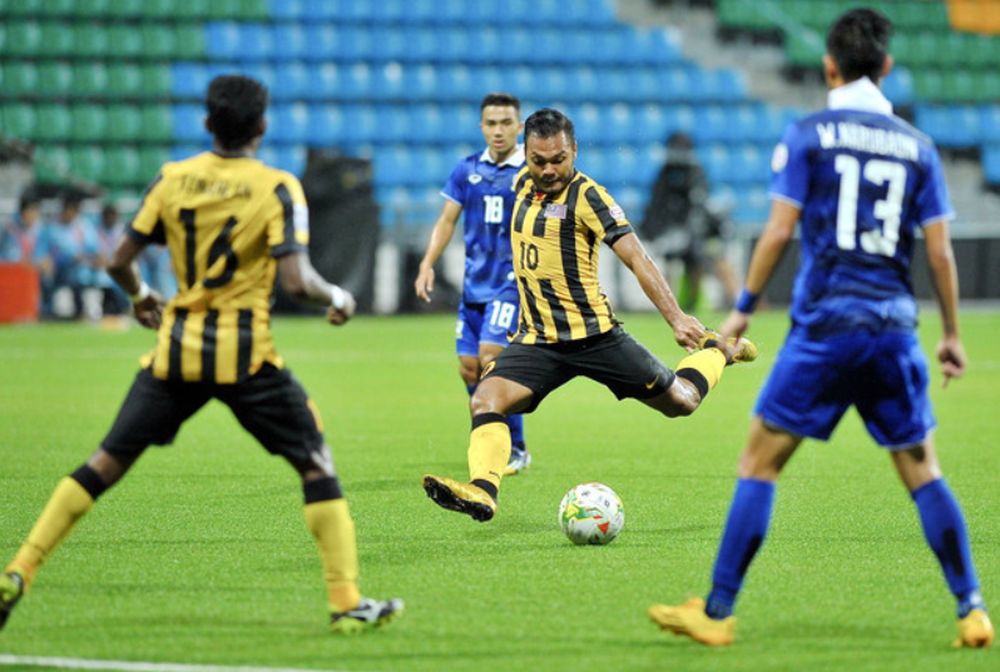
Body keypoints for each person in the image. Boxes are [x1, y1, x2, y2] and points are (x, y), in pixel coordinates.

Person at [0, 75, 402, 635]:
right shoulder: (278, 186)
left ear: (208, 123)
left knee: (103, 463)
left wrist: (141, 297)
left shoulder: (173, 179)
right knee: (316, 464)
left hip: (176, 353)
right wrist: (339, 296)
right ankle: (345, 600)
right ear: (262, 126)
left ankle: (19, 569)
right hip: (248, 358)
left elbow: (118, 260)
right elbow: (297, 279)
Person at [648, 8, 994, 649]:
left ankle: (717, 612)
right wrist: (949, 332)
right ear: (886, 67)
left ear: (829, 65)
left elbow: (779, 230)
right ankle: (972, 608)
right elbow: (940, 253)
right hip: (893, 327)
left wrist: (745, 306)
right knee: (924, 471)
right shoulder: (918, 146)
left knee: (758, 461)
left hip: (827, 327)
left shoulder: (810, 133)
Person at [421, 108, 757, 522]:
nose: (548, 170)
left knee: (682, 402)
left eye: (558, 159)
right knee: (485, 399)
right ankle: (484, 491)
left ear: (574, 150)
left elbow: (637, 258)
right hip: (538, 340)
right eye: (538, 160)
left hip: (595, 337)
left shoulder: (589, 196)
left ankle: (717, 350)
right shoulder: (519, 184)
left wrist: (676, 318)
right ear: (525, 153)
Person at [414, 92, 531, 475]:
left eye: (505, 123)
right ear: (482, 126)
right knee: (469, 367)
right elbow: (447, 220)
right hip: (474, 285)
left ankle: (516, 447)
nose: (498, 131)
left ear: (519, 126)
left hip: (511, 284)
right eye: (491, 123)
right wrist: (427, 263)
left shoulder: (529, 172)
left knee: (490, 357)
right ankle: (490, 427)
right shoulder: (466, 170)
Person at [641, 132, 739, 311]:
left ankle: (734, 301)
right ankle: (667, 306)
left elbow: (701, 206)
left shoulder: (696, 173)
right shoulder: (665, 174)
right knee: (670, 264)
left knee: (710, 260)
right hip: (673, 233)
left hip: (700, 233)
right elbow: (657, 207)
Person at [31, 193, 101, 318]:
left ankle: (81, 312)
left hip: (80, 271)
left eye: (74, 211)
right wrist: (44, 261)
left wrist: (91, 258)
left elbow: (95, 251)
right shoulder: (50, 228)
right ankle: (47, 312)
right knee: (45, 278)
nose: (70, 214)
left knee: (81, 278)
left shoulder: (84, 227)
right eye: (68, 210)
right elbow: (40, 252)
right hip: (56, 271)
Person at [0, 191, 42, 263]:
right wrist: (34, 262)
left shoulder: (40, 228)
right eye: (30, 211)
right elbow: (11, 256)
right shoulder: (10, 227)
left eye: (35, 211)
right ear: (22, 211)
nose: (32, 215)